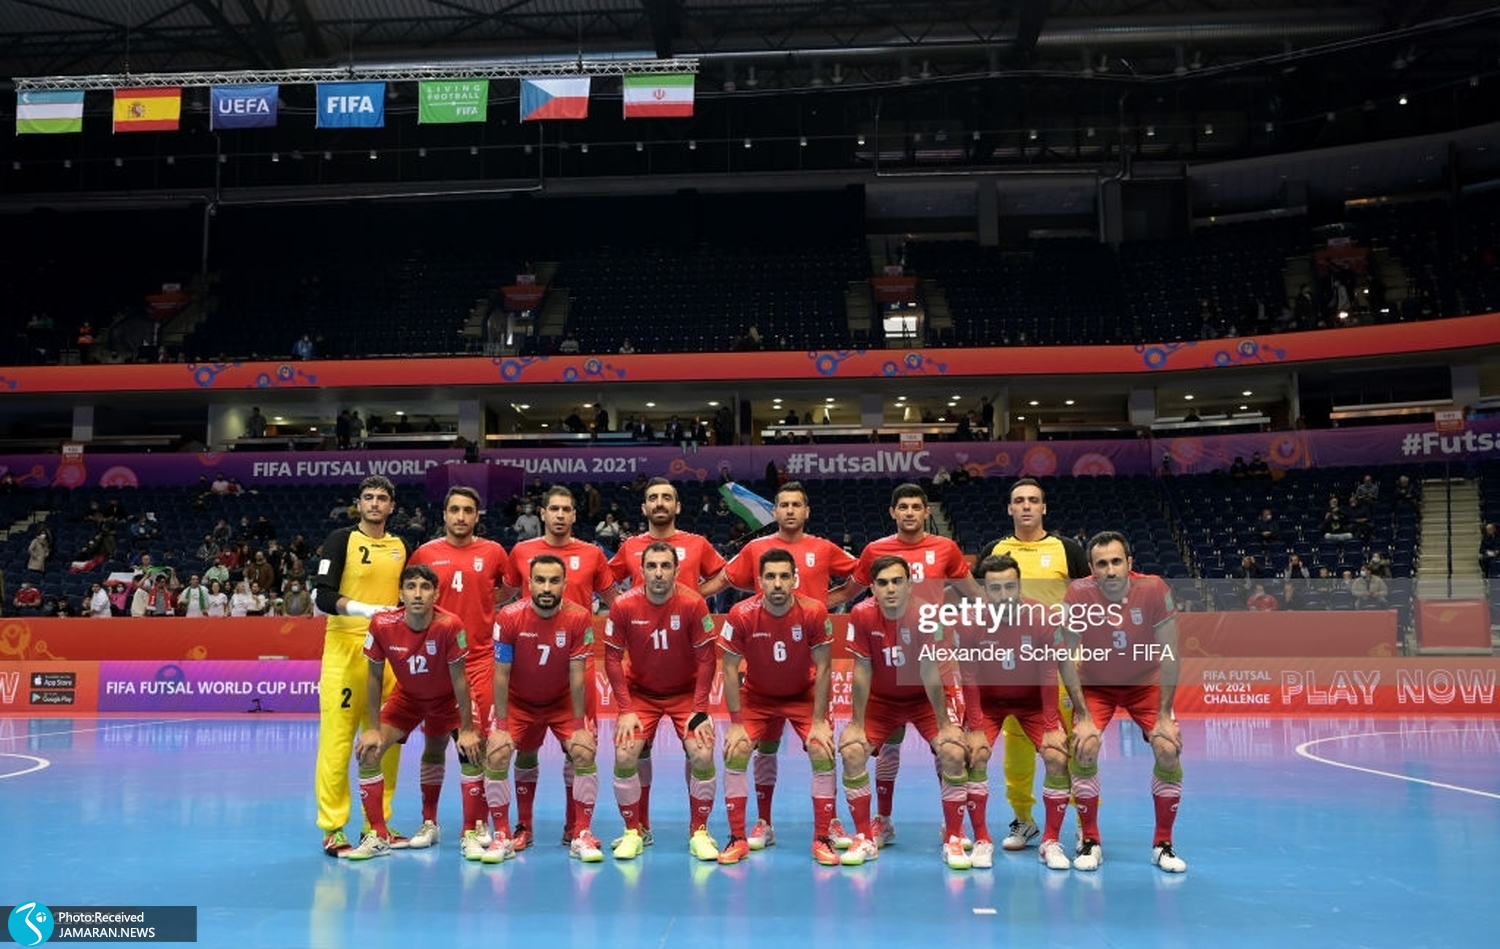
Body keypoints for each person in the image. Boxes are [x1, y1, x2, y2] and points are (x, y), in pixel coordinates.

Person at [699, 481, 858, 848]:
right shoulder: (756, 549)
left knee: (823, 747)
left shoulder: (824, 548)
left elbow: (858, 576)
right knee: (762, 749)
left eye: (796, 504)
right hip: (764, 665)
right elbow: (726, 579)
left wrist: (831, 599)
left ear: (806, 511)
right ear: (775, 511)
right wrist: (691, 596)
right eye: (783, 504)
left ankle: (830, 823)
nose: (789, 510)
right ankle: (762, 823)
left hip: (807, 664)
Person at [846, 483, 979, 846]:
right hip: (889, 668)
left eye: (915, 507)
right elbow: (850, 592)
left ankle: (952, 827)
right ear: (893, 512)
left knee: (948, 747)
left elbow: (974, 593)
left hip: (933, 663)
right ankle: (882, 821)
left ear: (926, 512)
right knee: (888, 745)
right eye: (902, 506)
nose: (908, 512)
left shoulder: (946, 548)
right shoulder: (875, 551)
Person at [1056, 531, 1187, 874]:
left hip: (1145, 681)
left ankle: (1163, 844)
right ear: (1091, 569)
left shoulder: (1153, 588)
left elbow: (1171, 652)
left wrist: (1164, 715)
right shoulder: (1078, 593)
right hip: (1096, 683)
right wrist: (1083, 715)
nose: (1110, 570)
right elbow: (1065, 656)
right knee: (1084, 745)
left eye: (1116, 561)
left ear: (1129, 563)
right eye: (1102, 564)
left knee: (1168, 747)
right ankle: (1090, 840)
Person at [938, 554, 1071, 870]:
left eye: (1010, 587)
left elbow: (1048, 674)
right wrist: (976, 729)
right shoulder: (968, 621)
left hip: (1033, 703)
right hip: (988, 704)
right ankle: (982, 840)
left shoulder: (1042, 617)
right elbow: (969, 678)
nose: (1004, 595)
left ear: (1020, 586)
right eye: (995, 588)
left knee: (1057, 756)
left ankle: (1051, 841)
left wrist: (1051, 726)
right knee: (975, 754)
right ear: (985, 590)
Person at [344, 565, 482, 860]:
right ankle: (379, 835)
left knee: (471, 751)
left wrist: (468, 729)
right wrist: (372, 728)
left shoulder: (450, 625)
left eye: (425, 587)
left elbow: (460, 679)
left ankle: (470, 831)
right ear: (401, 594)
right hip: (408, 698)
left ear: (436, 594)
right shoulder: (382, 624)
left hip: (448, 699)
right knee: (368, 751)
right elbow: (374, 676)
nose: (418, 594)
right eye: (411, 587)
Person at [407, 485, 516, 855]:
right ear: (444, 514)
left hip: (479, 661)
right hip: (437, 664)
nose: (460, 516)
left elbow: (507, 589)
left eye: (468, 510)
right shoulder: (425, 553)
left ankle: (476, 823)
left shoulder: (494, 552)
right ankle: (429, 821)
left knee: (476, 743)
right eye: (454, 509)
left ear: (476, 516)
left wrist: (485, 603)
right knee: (435, 742)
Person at [715, 548, 838, 866]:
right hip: (757, 697)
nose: (778, 583)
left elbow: (825, 667)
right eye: (770, 576)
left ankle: (822, 837)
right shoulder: (741, 613)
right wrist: (736, 723)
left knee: (822, 750)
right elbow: (729, 668)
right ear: (760, 581)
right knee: (736, 750)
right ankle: (742, 835)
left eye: (785, 576)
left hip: (803, 696)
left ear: (795, 579)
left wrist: (820, 721)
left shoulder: (814, 611)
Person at [311, 475, 411, 858]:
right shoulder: (341, 540)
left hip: (390, 653)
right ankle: (333, 827)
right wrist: (365, 610)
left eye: (381, 498)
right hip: (346, 648)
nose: (374, 503)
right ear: (359, 502)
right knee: (338, 742)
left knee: (388, 741)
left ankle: (377, 824)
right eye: (368, 497)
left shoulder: (402, 546)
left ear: (392, 506)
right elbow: (322, 595)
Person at [837, 556, 959, 868]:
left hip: (924, 700)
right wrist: (856, 723)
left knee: (953, 751)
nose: (890, 588)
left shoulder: (926, 615)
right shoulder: (861, 614)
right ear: (872, 588)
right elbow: (862, 669)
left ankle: (954, 835)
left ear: (910, 583)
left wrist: (945, 725)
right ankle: (866, 836)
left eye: (897, 581)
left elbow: (930, 672)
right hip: (882, 701)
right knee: (851, 751)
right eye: (882, 583)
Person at [603, 541, 721, 861]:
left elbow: (707, 659)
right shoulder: (623, 606)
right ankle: (634, 831)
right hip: (641, 694)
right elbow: (612, 659)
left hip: (686, 694)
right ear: (641, 571)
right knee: (625, 752)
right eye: (652, 566)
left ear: (677, 570)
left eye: (665, 566)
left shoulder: (694, 604)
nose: (658, 573)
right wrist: (625, 709)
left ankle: (699, 832)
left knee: (702, 752)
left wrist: (700, 709)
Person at [485, 555, 600, 860]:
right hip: (519, 703)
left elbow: (578, 675)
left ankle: (580, 833)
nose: (546, 587)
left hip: (562, 702)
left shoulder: (579, 617)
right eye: (540, 580)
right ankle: (506, 834)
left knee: (583, 751)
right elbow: (501, 674)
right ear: (529, 583)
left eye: (553, 581)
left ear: (565, 583)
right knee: (497, 753)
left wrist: (580, 727)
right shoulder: (508, 617)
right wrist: (502, 727)